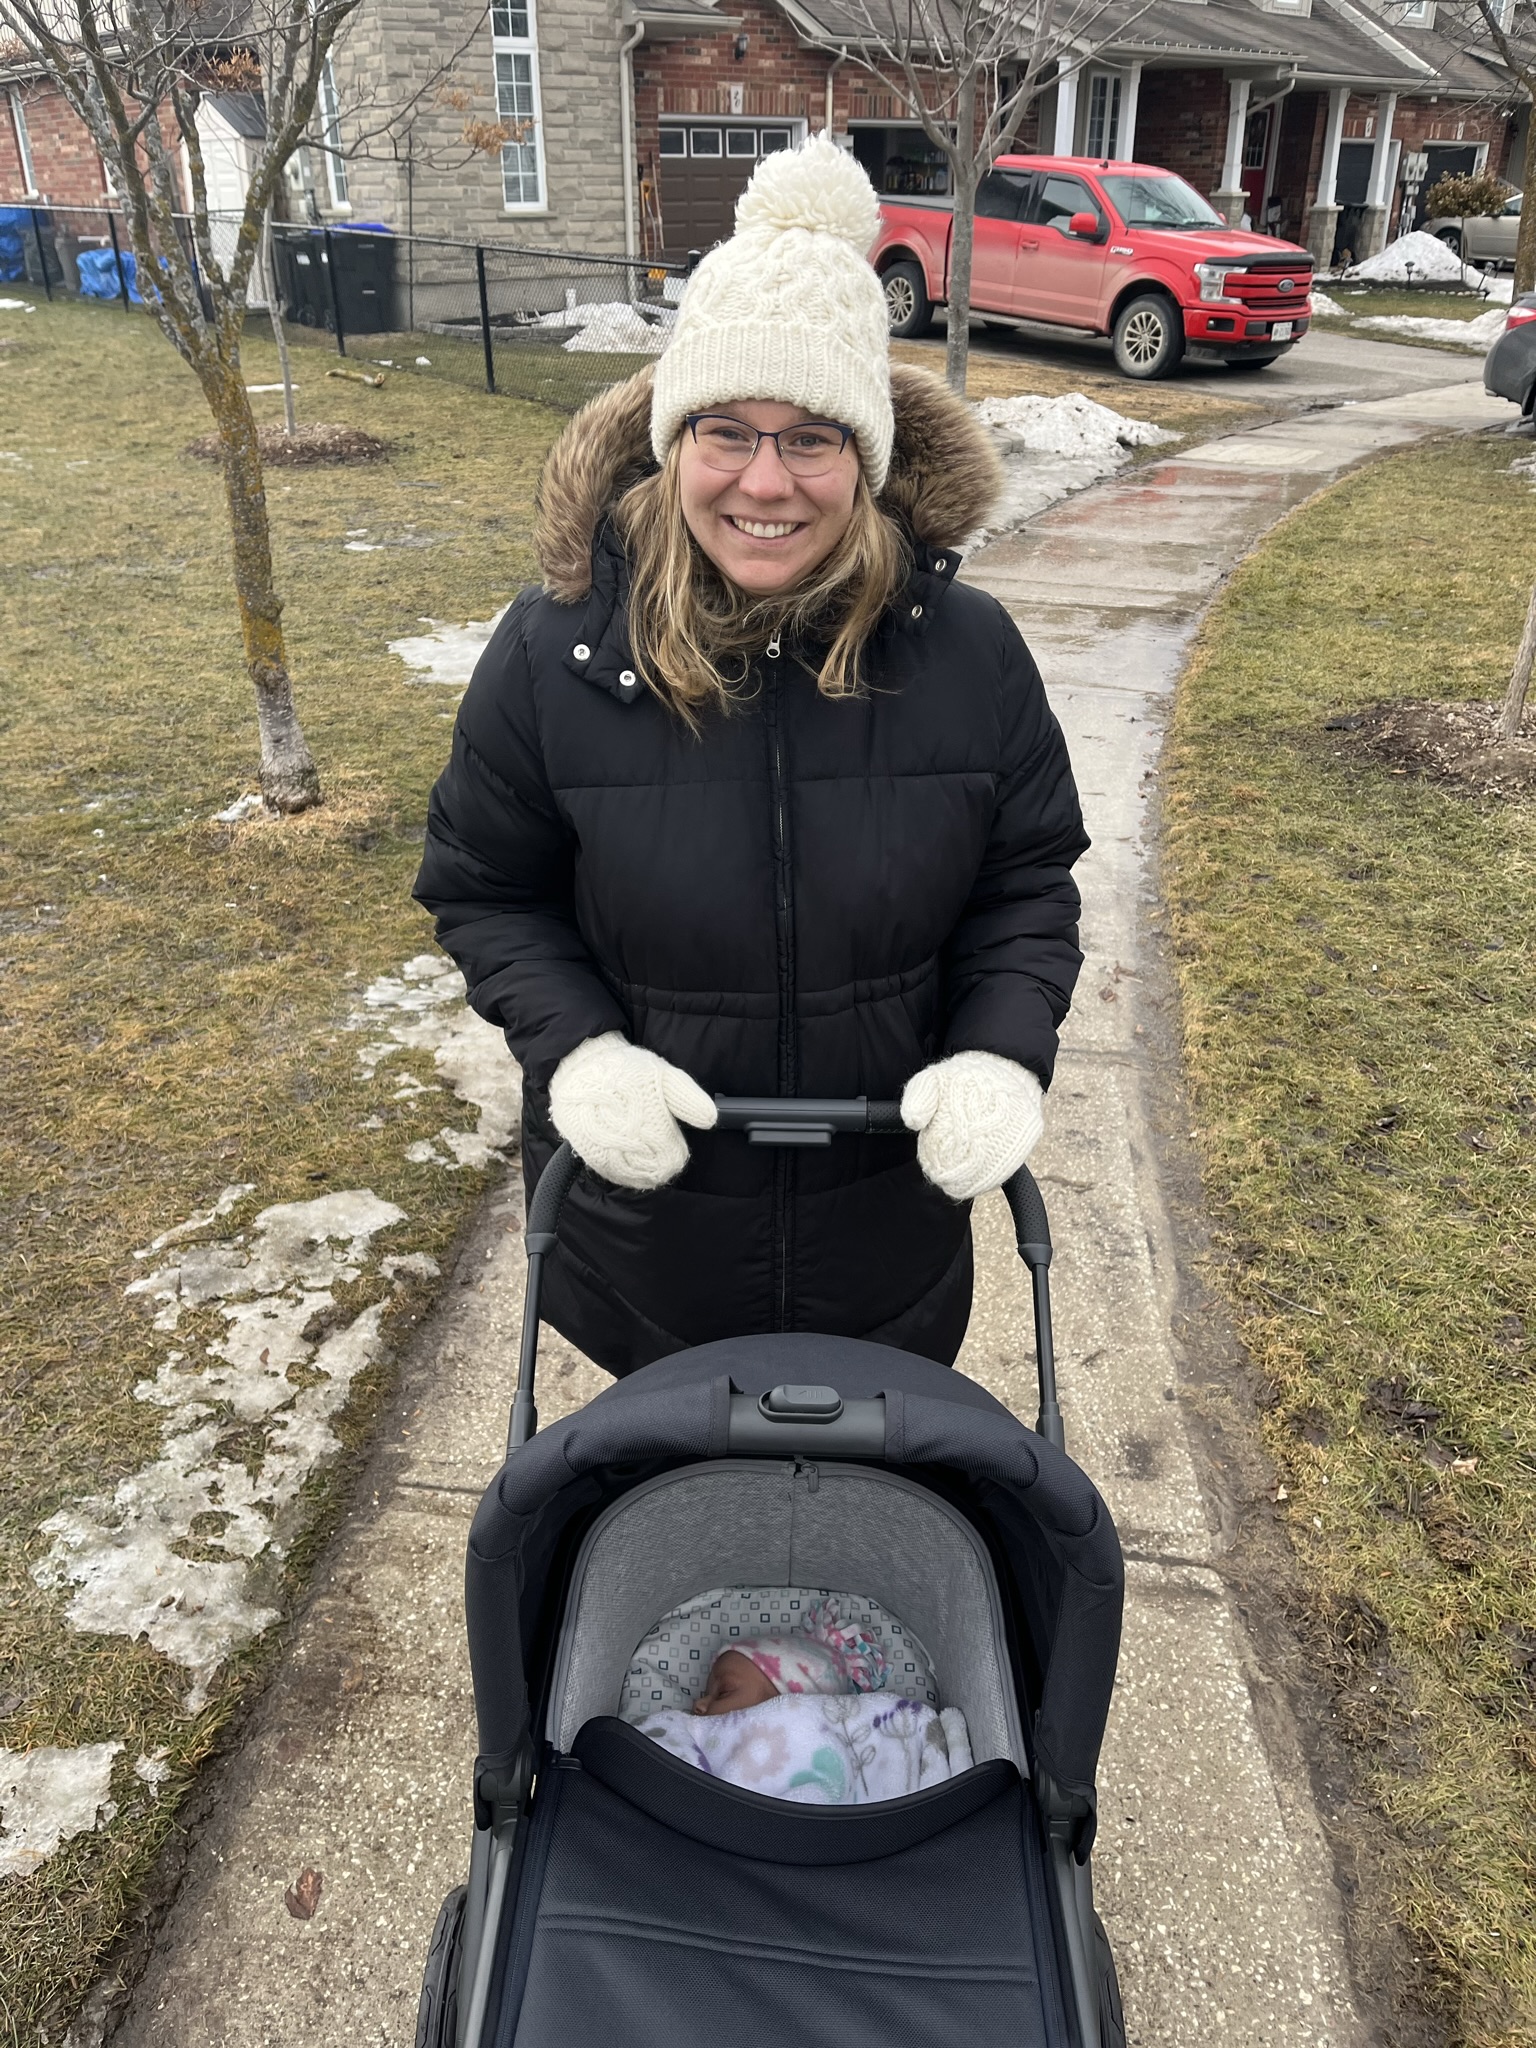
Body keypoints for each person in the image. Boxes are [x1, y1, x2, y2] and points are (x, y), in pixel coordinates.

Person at [415, 135, 1087, 1377]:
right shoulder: (554, 649)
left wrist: (1001, 1049)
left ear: (868, 456)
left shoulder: (969, 652)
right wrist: (579, 1052)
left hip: (889, 1229)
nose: (764, 481)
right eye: (726, 429)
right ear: (672, 440)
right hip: (646, 1232)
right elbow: (486, 887)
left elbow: (1025, 887)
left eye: (813, 437)